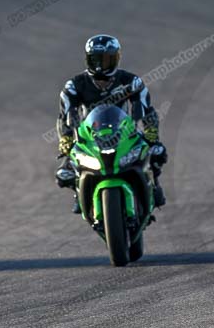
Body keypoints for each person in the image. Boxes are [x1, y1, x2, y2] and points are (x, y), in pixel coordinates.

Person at [55, 34, 168, 212]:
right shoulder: (74, 86)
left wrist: (151, 134)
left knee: (157, 153)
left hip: (125, 134)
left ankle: (154, 187)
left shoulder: (131, 82)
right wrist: (66, 140)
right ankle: (79, 192)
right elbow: (65, 117)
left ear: (116, 59)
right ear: (87, 60)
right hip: (90, 138)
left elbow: (147, 110)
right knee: (64, 173)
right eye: (95, 60)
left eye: (106, 60)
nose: (100, 65)